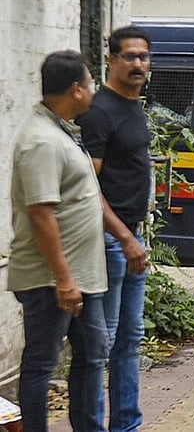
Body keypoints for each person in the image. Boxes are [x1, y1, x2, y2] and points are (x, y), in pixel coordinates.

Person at [8, 51, 108, 432]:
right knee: (42, 362)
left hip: (82, 276)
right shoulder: (42, 141)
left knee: (92, 354)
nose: (94, 91)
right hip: (50, 279)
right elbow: (40, 213)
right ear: (76, 89)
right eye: (90, 84)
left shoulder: (61, 130)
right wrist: (63, 279)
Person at [77, 26, 153, 432]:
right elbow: (88, 187)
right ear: (111, 60)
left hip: (130, 238)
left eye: (143, 56)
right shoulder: (100, 110)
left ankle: (126, 425)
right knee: (100, 343)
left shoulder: (133, 106)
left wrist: (133, 237)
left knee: (129, 339)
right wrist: (123, 237)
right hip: (108, 240)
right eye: (130, 56)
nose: (138, 63)